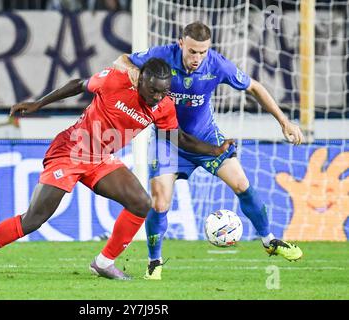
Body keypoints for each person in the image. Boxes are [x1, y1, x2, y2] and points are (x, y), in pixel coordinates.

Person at [0, 58, 234, 280]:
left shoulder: (163, 106)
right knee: (34, 220)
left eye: (163, 92)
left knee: (141, 203)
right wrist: (39, 104)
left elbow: (177, 139)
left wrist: (215, 150)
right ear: (141, 80)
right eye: (154, 91)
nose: (158, 98)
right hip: (71, 150)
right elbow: (79, 84)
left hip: (100, 158)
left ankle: (104, 263)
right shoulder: (115, 81)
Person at [113, 22, 304, 280]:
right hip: (167, 139)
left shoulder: (217, 65)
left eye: (202, 52)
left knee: (242, 183)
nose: (197, 58)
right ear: (181, 43)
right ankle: (154, 261)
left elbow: (255, 87)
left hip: (206, 138)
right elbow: (122, 60)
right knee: (160, 202)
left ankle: (269, 240)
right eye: (192, 51)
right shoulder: (161, 56)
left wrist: (284, 122)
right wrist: (131, 71)